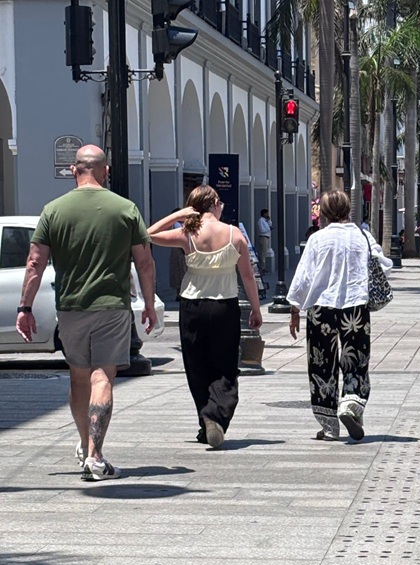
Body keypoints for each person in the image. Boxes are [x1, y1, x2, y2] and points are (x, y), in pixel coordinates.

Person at [15, 144, 156, 481]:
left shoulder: (53, 210)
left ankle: (86, 445)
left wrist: (25, 307)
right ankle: (95, 455)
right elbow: (145, 262)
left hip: (71, 307)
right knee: (102, 377)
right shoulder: (125, 209)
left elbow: (35, 263)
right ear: (105, 171)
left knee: (78, 377)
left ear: (74, 171)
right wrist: (149, 304)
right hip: (111, 307)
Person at [148, 186, 263, 448]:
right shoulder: (235, 235)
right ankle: (214, 417)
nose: (221, 206)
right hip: (225, 307)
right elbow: (247, 276)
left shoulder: (186, 234)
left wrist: (177, 215)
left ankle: (207, 420)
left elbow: (148, 235)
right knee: (225, 367)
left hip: (192, 307)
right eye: (219, 202)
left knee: (197, 366)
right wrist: (255, 309)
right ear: (212, 204)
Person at [287, 190, 392, 441]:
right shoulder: (363, 237)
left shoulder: (318, 239)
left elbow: (304, 277)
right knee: (356, 360)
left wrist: (294, 311)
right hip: (356, 307)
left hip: (321, 308)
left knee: (322, 364)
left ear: (323, 213)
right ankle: (351, 403)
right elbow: (384, 266)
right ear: (348, 209)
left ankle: (329, 426)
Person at [256, 208, 272, 275]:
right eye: (267, 213)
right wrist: (268, 229)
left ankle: (263, 266)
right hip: (263, 237)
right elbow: (262, 230)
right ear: (264, 214)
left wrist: (269, 220)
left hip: (267, 237)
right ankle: (262, 267)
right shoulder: (260, 221)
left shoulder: (266, 221)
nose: (267, 214)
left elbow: (270, 225)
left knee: (264, 252)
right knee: (262, 253)